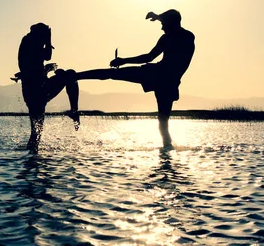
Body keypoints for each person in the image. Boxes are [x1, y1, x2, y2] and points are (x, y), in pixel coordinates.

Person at [77, 9, 195, 148]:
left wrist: (124, 60)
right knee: (163, 122)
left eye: (163, 24)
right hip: (166, 80)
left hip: (160, 76)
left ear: (171, 23)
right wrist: (158, 17)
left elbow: (149, 57)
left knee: (162, 122)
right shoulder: (179, 36)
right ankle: (167, 154)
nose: (162, 28)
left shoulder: (180, 37)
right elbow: (153, 54)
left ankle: (76, 76)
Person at [13, 23, 80, 153]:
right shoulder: (29, 41)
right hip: (34, 92)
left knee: (71, 74)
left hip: (42, 87)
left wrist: (48, 69)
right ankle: (32, 159)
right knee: (36, 132)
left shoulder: (33, 42)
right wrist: (49, 40)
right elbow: (44, 59)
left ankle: (74, 111)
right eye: (45, 37)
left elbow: (37, 65)